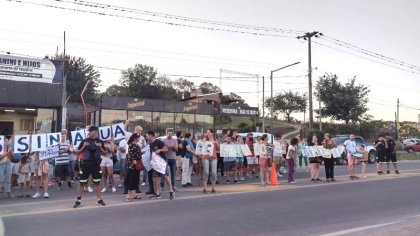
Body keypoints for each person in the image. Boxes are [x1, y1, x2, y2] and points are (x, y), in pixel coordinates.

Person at [73, 126, 107, 208]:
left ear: (95, 132)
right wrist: (84, 146)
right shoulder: (84, 141)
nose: (89, 132)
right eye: (89, 131)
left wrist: (100, 147)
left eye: (91, 131)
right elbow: (77, 152)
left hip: (96, 164)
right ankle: (78, 200)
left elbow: (105, 153)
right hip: (86, 164)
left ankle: (99, 200)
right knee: (82, 182)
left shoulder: (100, 142)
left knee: (97, 183)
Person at [146, 131, 175, 200]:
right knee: (156, 177)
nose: (146, 137)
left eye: (147, 136)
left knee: (165, 175)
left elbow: (166, 149)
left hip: (162, 161)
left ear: (151, 136)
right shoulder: (150, 144)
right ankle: (158, 194)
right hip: (155, 163)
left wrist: (160, 150)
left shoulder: (158, 142)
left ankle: (171, 191)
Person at [32, 131, 51, 199]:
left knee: (45, 176)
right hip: (37, 161)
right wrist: (35, 150)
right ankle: (37, 192)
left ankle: (46, 192)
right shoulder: (35, 143)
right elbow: (31, 152)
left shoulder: (47, 143)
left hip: (45, 160)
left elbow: (50, 152)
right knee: (37, 177)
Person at [126, 133, 142, 201]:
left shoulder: (137, 145)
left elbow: (137, 153)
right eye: (138, 137)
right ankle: (128, 195)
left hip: (137, 163)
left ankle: (134, 194)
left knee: (136, 179)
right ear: (135, 138)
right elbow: (130, 155)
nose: (139, 138)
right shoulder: (131, 145)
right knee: (131, 180)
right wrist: (133, 161)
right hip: (133, 165)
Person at [202, 129, 219, 193]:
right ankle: (205, 188)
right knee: (206, 172)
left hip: (214, 157)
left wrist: (216, 143)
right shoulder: (205, 139)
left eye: (209, 132)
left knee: (214, 173)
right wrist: (203, 143)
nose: (208, 133)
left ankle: (213, 188)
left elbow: (218, 148)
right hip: (206, 157)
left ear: (212, 133)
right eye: (207, 132)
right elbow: (201, 147)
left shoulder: (215, 139)